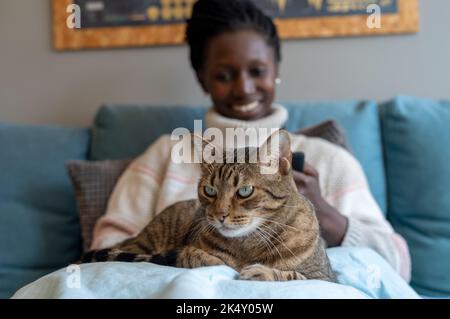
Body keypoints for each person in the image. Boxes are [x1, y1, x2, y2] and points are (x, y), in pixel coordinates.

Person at [91, 0, 411, 281]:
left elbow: (398, 267)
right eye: (224, 75)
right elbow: (105, 254)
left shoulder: (328, 158)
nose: (244, 88)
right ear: (203, 79)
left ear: (276, 71)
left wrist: (329, 218)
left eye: (257, 71)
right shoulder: (167, 152)